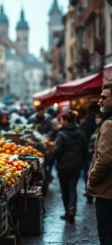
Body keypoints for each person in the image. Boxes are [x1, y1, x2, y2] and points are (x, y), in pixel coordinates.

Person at [87, 83, 112, 245]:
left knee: (106, 234)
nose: (99, 101)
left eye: (104, 97)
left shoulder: (109, 124)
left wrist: (92, 177)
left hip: (107, 191)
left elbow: (104, 158)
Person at [53, 110, 88, 223]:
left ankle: (67, 211)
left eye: (61, 120)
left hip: (63, 167)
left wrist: (52, 153)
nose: (60, 121)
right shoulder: (81, 134)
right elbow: (85, 151)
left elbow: (58, 151)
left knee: (65, 190)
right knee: (73, 188)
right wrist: (82, 163)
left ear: (66, 121)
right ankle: (72, 208)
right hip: (76, 166)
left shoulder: (61, 134)